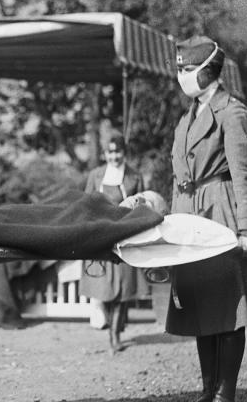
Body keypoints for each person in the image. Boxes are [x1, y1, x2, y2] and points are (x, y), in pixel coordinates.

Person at [169, 36, 247, 402]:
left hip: (221, 213)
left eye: (185, 69)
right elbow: (180, 176)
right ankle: (207, 389)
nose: (179, 75)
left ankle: (225, 393)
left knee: (227, 309)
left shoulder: (233, 113)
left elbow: (246, 175)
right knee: (201, 309)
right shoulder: (188, 116)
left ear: (206, 71)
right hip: (189, 214)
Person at [79, 134, 148, 354]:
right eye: (110, 152)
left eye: (118, 152)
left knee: (123, 289)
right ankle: (111, 327)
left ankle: (115, 334)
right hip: (100, 236)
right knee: (105, 287)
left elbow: (142, 205)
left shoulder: (134, 176)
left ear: (124, 153)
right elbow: (85, 205)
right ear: (105, 154)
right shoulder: (96, 175)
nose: (114, 156)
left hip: (125, 235)